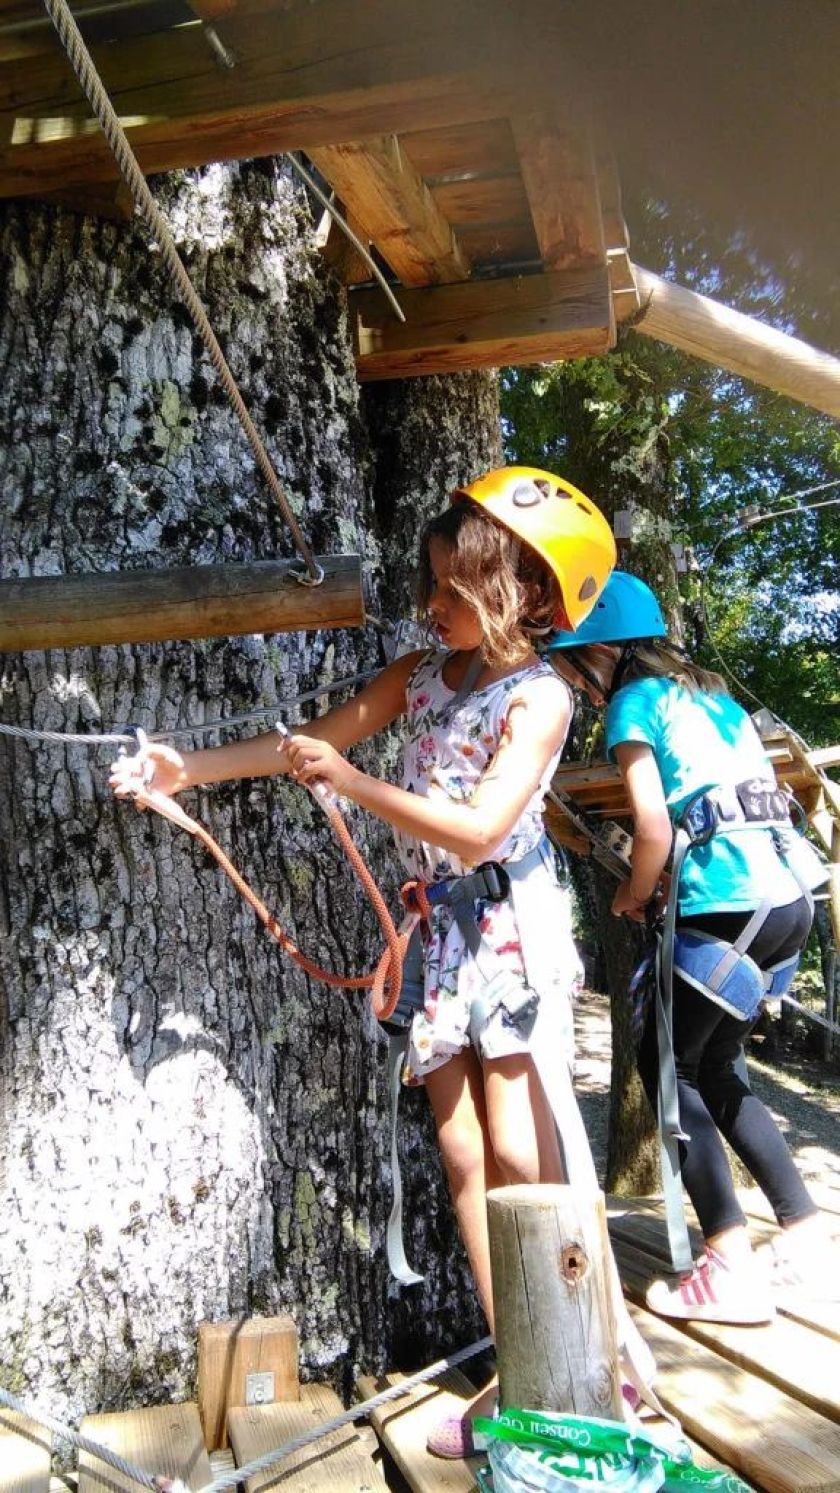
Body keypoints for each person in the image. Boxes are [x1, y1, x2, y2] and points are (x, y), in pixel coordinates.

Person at [110, 465, 617, 1455]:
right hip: (435, 936)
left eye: (450, 591)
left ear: (511, 591)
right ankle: (526, 1362)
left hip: (503, 926)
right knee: (466, 1154)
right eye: (432, 586)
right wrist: (190, 766)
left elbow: (478, 831)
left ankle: (579, 1365)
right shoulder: (421, 675)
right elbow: (311, 742)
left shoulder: (540, 697)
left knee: (522, 1149)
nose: (430, 606)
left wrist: (350, 783)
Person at [547, 570, 836, 1325]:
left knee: (668, 1070)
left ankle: (729, 1263)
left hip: (725, 902)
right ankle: (805, 1233)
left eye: (571, 660)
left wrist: (633, 894)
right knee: (717, 1066)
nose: (569, 677)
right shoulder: (718, 699)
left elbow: (655, 829)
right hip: (788, 899)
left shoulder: (632, 702)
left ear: (600, 650)